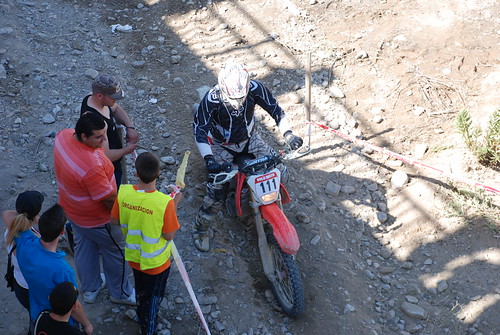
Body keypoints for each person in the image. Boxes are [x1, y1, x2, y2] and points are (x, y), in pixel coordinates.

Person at [192, 63, 303, 251]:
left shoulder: (255, 88)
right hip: (221, 145)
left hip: (250, 139)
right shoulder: (212, 98)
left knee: (282, 172)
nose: (238, 102)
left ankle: (266, 206)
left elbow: (276, 110)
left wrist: (288, 134)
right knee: (216, 190)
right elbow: (200, 130)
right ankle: (201, 227)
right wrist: (209, 158)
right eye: (233, 98)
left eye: (242, 97)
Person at [53, 112, 135, 306]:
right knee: (117, 251)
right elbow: (107, 199)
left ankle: (90, 288)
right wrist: (126, 215)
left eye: (104, 134)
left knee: (84, 248)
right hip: (98, 220)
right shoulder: (91, 167)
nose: (104, 140)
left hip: (72, 210)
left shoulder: (63, 135)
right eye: (99, 137)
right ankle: (121, 293)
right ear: (83, 136)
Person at [111, 152, 181, 335]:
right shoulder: (164, 203)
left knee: (141, 291)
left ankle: (141, 314)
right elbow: (169, 235)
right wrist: (175, 205)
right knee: (153, 298)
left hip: (134, 257)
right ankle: (148, 329)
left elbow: (114, 221)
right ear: (158, 174)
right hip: (156, 264)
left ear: (136, 173)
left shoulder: (124, 192)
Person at [16, 204, 93, 335]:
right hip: (62, 323)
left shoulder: (24, 242)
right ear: (62, 232)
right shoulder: (63, 270)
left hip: (37, 314)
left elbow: (8, 215)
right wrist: (87, 324)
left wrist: (29, 214)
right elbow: (73, 305)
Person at [80, 73, 138, 187]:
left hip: (115, 158)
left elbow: (115, 109)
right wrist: (128, 149)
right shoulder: (96, 123)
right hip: (108, 169)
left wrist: (129, 126)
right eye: (113, 98)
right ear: (100, 95)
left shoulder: (93, 97)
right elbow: (106, 155)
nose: (115, 101)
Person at [3, 191, 44, 334]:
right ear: (35, 213)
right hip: (33, 290)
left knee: (33, 315)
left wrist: (29, 214)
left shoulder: (10, 229)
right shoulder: (35, 243)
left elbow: (7, 213)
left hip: (20, 285)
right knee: (40, 320)